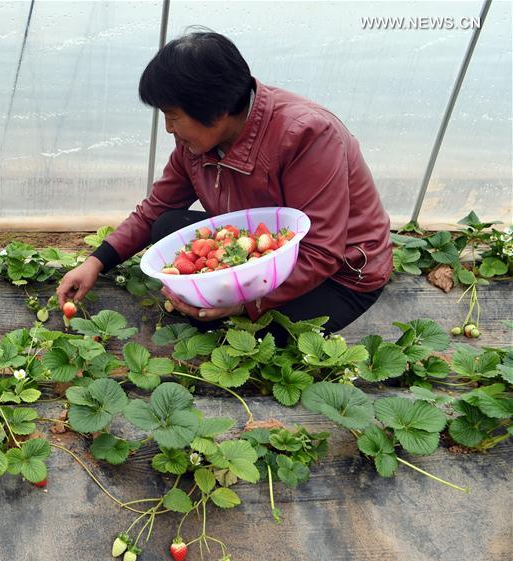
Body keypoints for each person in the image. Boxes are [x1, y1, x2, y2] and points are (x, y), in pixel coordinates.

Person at [56, 30, 392, 342]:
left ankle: (234, 314)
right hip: (260, 259)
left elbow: (321, 252)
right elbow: (155, 208)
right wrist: (95, 262)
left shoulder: (306, 136)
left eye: (173, 115)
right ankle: (225, 308)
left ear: (216, 110)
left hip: (338, 276)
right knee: (168, 226)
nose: (169, 128)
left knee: (228, 328)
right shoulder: (197, 143)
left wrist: (244, 305)